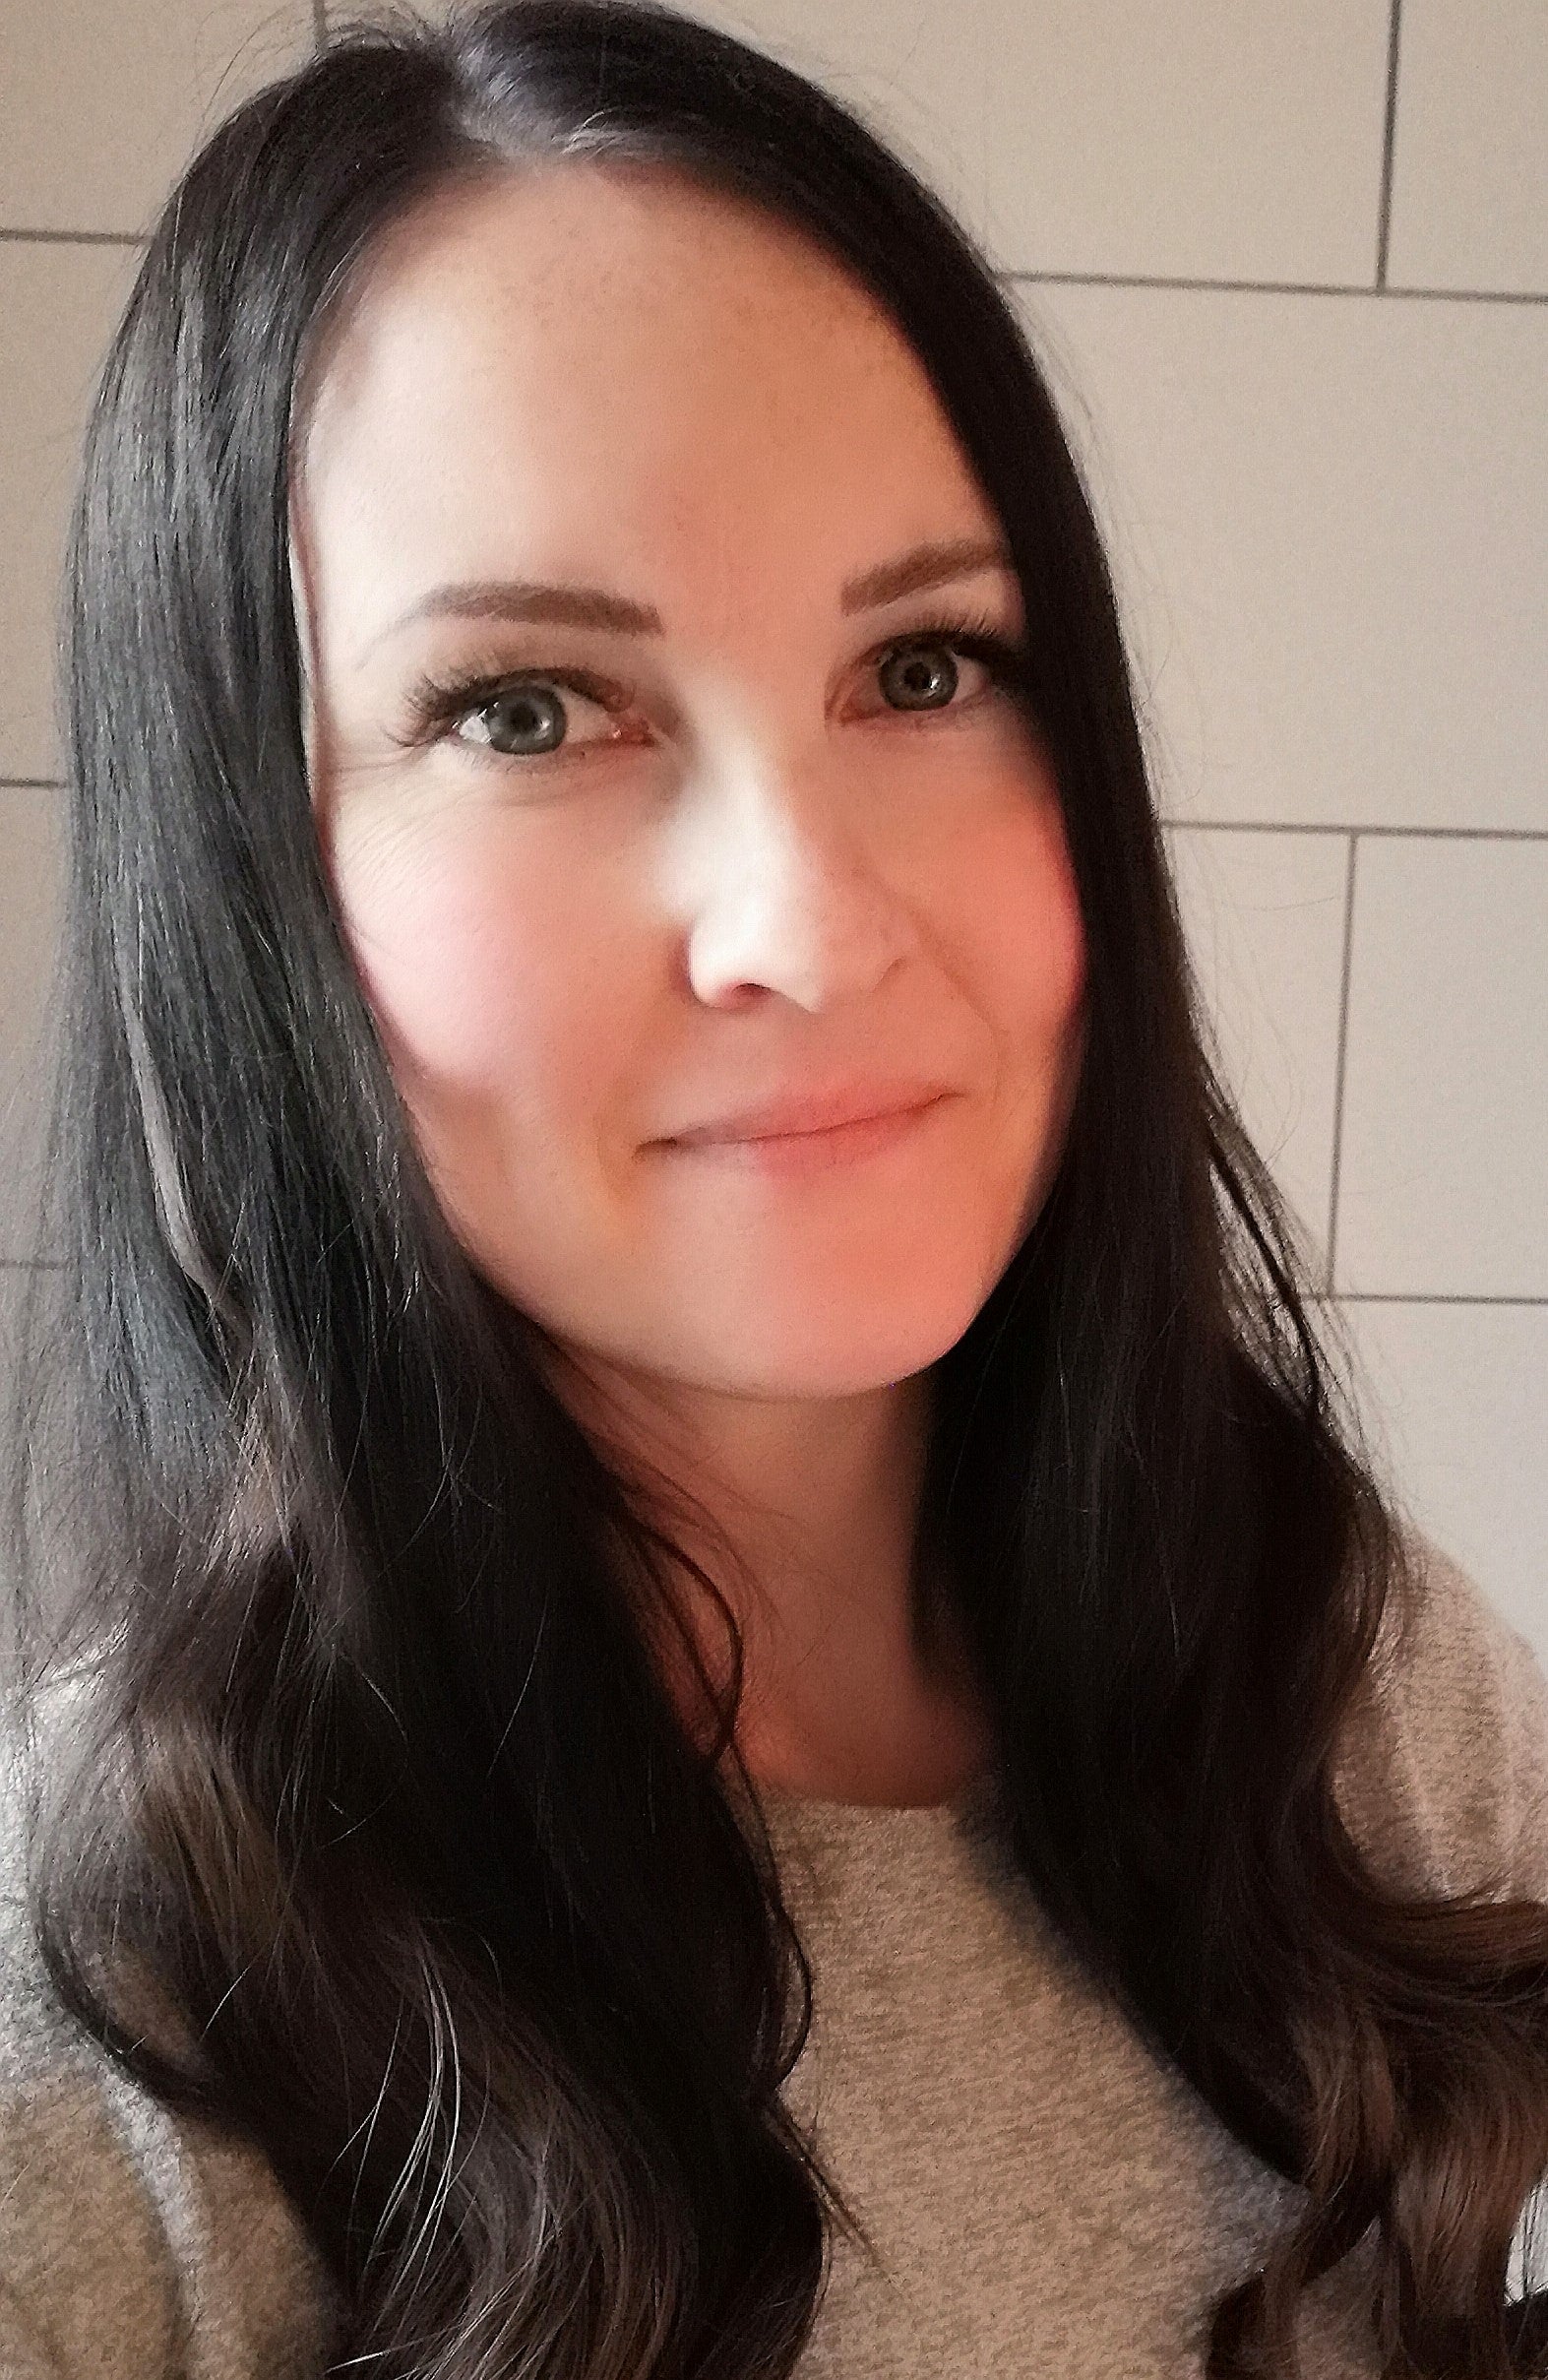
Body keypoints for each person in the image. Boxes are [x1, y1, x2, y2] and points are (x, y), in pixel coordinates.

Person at [2, 2, 1546, 2374]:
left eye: (926, 667)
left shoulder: (1343, 1681)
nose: (811, 923)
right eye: (524, 708)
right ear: (252, 894)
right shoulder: (123, 2015)